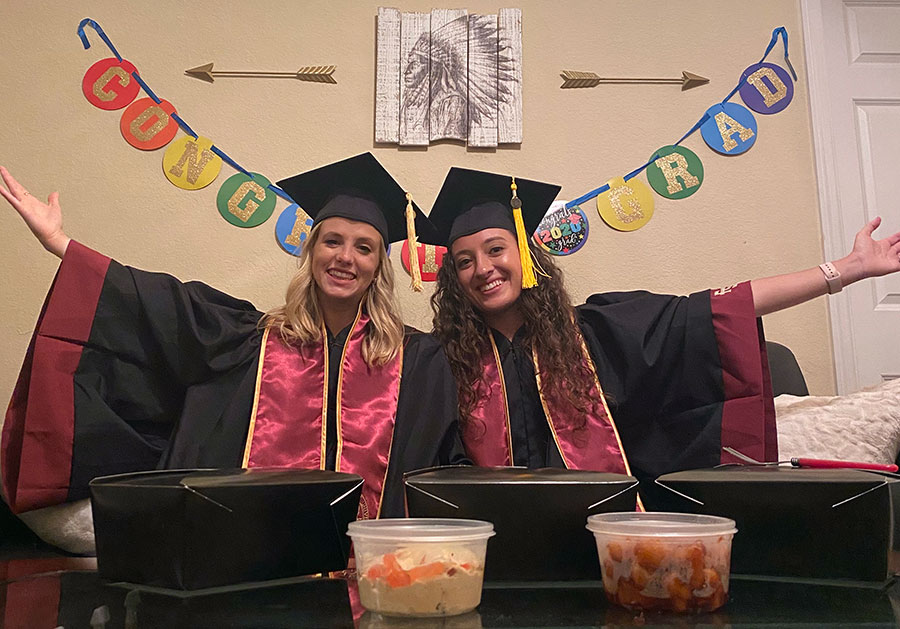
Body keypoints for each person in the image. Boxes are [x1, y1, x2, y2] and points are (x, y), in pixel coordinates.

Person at [0, 153, 464, 524]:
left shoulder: (418, 361)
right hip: (254, 565)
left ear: (379, 267)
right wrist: (60, 242)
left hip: (372, 572)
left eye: (364, 247)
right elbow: (161, 302)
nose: (345, 257)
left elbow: (444, 466)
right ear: (312, 251)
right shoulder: (251, 340)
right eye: (332, 241)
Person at [427, 167, 900, 501]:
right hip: (490, 543)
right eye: (465, 261)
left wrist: (846, 270)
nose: (483, 269)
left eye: (495, 249)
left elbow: (717, 308)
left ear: (525, 254)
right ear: (454, 278)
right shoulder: (444, 362)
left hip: (603, 532)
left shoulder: (596, 332)